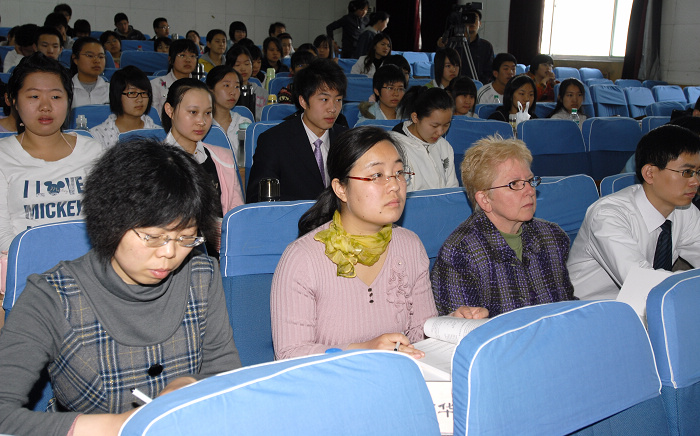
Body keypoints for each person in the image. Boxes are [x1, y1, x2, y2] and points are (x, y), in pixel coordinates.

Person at [0, 138, 241, 435]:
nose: (170, 253)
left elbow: (224, 375)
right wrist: (119, 426)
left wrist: (187, 383)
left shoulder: (201, 276)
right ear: (112, 222)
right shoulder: (51, 297)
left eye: (185, 237)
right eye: (153, 237)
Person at [272, 127, 442, 360]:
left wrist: (446, 327)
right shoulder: (302, 259)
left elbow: (420, 337)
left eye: (399, 173)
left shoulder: (410, 245)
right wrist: (363, 350)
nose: (395, 185)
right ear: (341, 189)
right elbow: (289, 355)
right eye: (377, 175)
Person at [431, 135, 574, 317]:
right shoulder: (460, 254)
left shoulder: (552, 237)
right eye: (514, 184)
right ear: (485, 199)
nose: (530, 191)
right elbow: (463, 329)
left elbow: (568, 309)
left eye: (530, 181)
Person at [568, 125, 700, 300]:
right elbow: (642, 283)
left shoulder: (685, 211)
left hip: (646, 307)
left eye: (698, 172)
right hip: (590, 309)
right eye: (687, 172)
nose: (695, 182)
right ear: (650, 173)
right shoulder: (608, 215)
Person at [0, 53, 103, 251]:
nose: (45, 106)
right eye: (34, 96)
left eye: (55, 97)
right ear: (14, 101)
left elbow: (108, 219)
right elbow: (2, 236)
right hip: (25, 263)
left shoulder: (93, 152)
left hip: (87, 262)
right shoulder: (3, 156)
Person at [247, 59, 347, 202]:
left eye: (338, 100)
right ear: (303, 101)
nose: (333, 108)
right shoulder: (274, 141)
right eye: (324, 99)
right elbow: (258, 199)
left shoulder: (346, 139)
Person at [162, 78, 244, 222]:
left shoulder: (223, 158)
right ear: (170, 110)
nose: (202, 121)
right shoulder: (154, 162)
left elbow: (237, 217)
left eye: (208, 113)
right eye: (193, 112)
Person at [389, 86, 459, 191]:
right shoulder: (394, 148)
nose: (440, 132)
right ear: (415, 118)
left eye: (446, 125)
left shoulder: (444, 146)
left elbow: (451, 190)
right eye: (434, 126)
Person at [90, 66, 159, 148]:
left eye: (144, 93)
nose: (140, 99)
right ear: (117, 95)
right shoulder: (98, 136)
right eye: (132, 93)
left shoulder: (159, 134)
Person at [437, 6, 494, 84]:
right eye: (468, 18)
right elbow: (440, 65)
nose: (472, 22)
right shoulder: (451, 43)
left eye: (474, 18)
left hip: (476, 86)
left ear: (480, 23)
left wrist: (479, 85)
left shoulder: (486, 46)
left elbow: (489, 72)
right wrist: (441, 47)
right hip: (452, 85)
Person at [206, 65, 252, 149]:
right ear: (210, 90)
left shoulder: (244, 123)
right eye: (226, 85)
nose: (233, 92)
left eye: (237, 87)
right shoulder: (202, 124)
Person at [151, 39, 198, 115]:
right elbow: (153, 117)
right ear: (170, 59)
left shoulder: (200, 87)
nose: (188, 60)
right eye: (182, 55)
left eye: (192, 56)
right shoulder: (156, 85)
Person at [225, 45, 268, 121]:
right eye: (237, 65)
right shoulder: (225, 93)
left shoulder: (262, 93)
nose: (243, 69)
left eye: (247, 64)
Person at [70, 37, 108, 108]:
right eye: (90, 56)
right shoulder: (65, 90)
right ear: (75, 59)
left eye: (101, 57)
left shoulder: (112, 90)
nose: (97, 61)